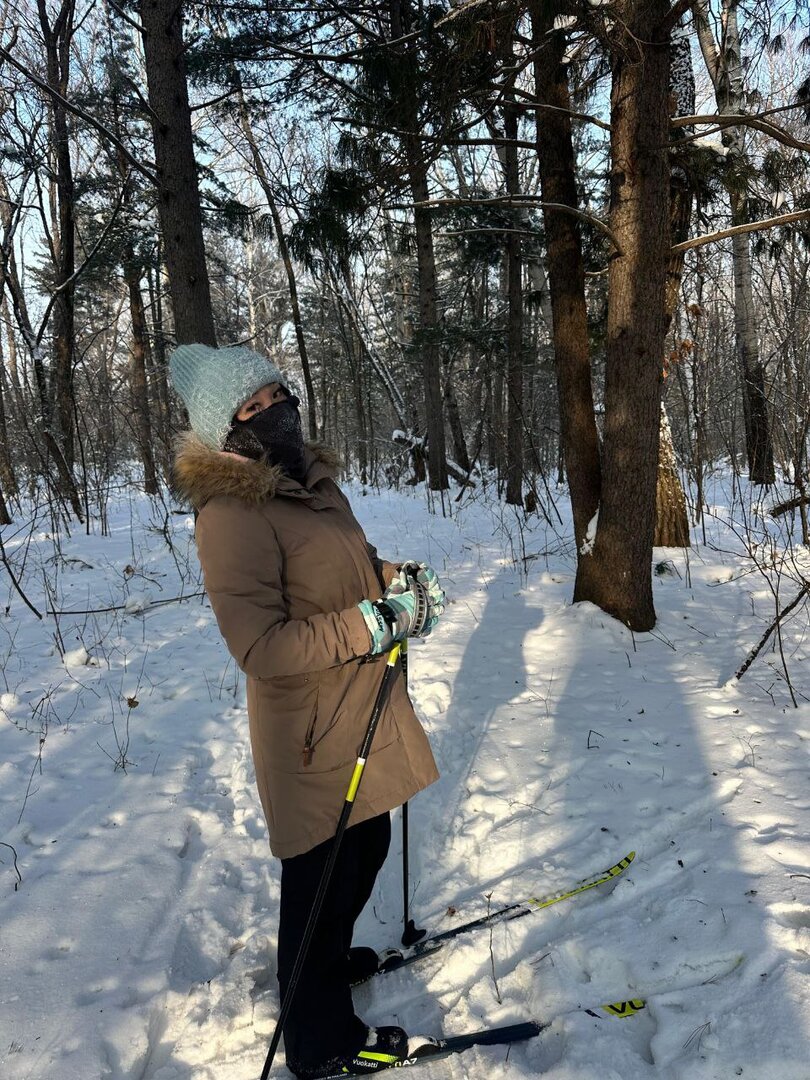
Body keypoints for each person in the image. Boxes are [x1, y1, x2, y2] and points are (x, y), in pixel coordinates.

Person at [169, 344, 445, 1079]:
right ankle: (320, 1039)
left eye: (274, 395)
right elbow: (260, 645)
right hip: (309, 730)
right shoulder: (231, 512)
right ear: (225, 432)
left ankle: (322, 967)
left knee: (366, 853)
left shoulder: (314, 485)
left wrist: (397, 583)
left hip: (360, 707)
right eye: (250, 408)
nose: (271, 413)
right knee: (319, 883)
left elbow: (350, 567)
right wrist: (374, 624)